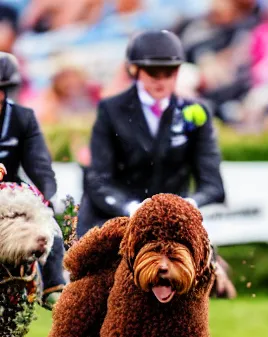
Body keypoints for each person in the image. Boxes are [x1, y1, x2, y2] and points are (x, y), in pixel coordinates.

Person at [77, 29, 235, 297]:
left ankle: (214, 269)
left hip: (169, 223)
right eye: (153, 73)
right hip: (117, 216)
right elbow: (98, 181)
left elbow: (213, 185)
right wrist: (134, 209)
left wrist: (182, 208)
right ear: (135, 70)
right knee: (92, 298)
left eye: (169, 72)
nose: (161, 80)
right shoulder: (110, 110)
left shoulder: (195, 113)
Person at [0, 52, 66, 309]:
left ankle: (53, 286)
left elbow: (39, 164)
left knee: (50, 224)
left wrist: (48, 195)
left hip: (11, 192)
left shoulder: (23, 118)